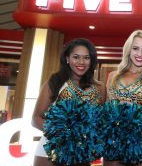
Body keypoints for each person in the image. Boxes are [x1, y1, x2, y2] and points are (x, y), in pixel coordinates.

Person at [32, 38, 106, 166]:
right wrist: (65, 135)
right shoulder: (55, 82)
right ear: (67, 58)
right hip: (51, 152)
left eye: (86, 57)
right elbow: (36, 118)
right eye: (76, 57)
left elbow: (101, 121)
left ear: (91, 60)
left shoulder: (100, 88)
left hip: (82, 154)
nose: (81, 62)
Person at [104, 29, 142, 166]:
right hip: (114, 140)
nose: (140, 54)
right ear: (128, 50)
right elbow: (107, 110)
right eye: (135, 48)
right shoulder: (113, 76)